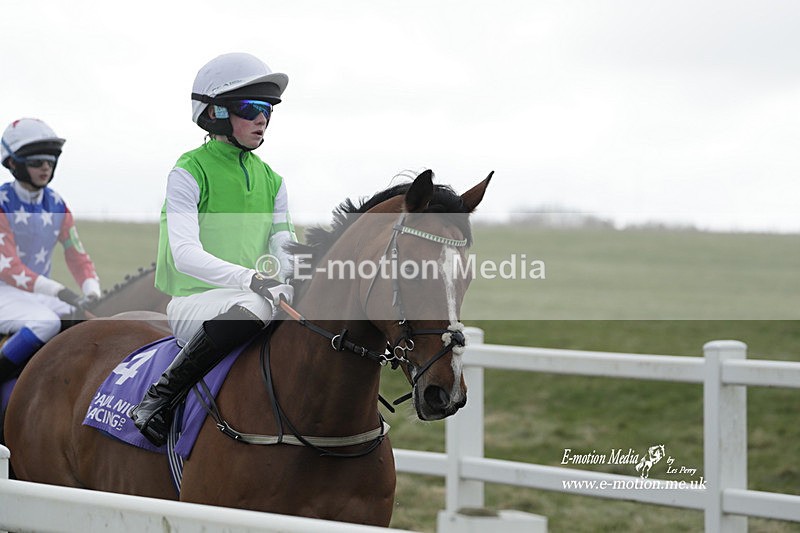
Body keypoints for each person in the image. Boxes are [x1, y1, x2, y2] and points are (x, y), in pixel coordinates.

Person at [131, 52, 296, 446]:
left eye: (268, 110)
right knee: (258, 306)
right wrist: (253, 280)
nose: (262, 119)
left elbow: (284, 246)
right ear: (216, 113)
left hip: (255, 296)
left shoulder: (273, 180)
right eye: (251, 108)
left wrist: (290, 275)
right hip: (195, 303)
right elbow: (185, 253)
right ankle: (159, 398)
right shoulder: (188, 171)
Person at [0, 118, 101, 383]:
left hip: (35, 294)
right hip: (5, 292)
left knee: (89, 321)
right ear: (12, 163)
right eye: (36, 162)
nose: (45, 167)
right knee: (45, 323)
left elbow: (75, 252)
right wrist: (59, 290)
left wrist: (91, 286)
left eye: (50, 161)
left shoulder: (56, 203)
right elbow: (10, 269)